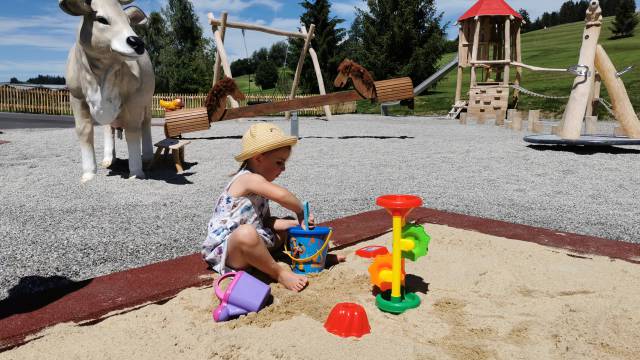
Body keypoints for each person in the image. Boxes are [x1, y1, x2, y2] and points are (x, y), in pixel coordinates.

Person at [202, 122, 310, 291]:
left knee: (288, 224)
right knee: (247, 233)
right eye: (279, 162)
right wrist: (300, 211)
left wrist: (294, 223)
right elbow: (282, 196)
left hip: (255, 241)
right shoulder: (248, 179)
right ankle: (279, 273)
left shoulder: (258, 185)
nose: (283, 168)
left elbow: (265, 221)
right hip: (230, 250)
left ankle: (313, 257)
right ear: (258, 158)